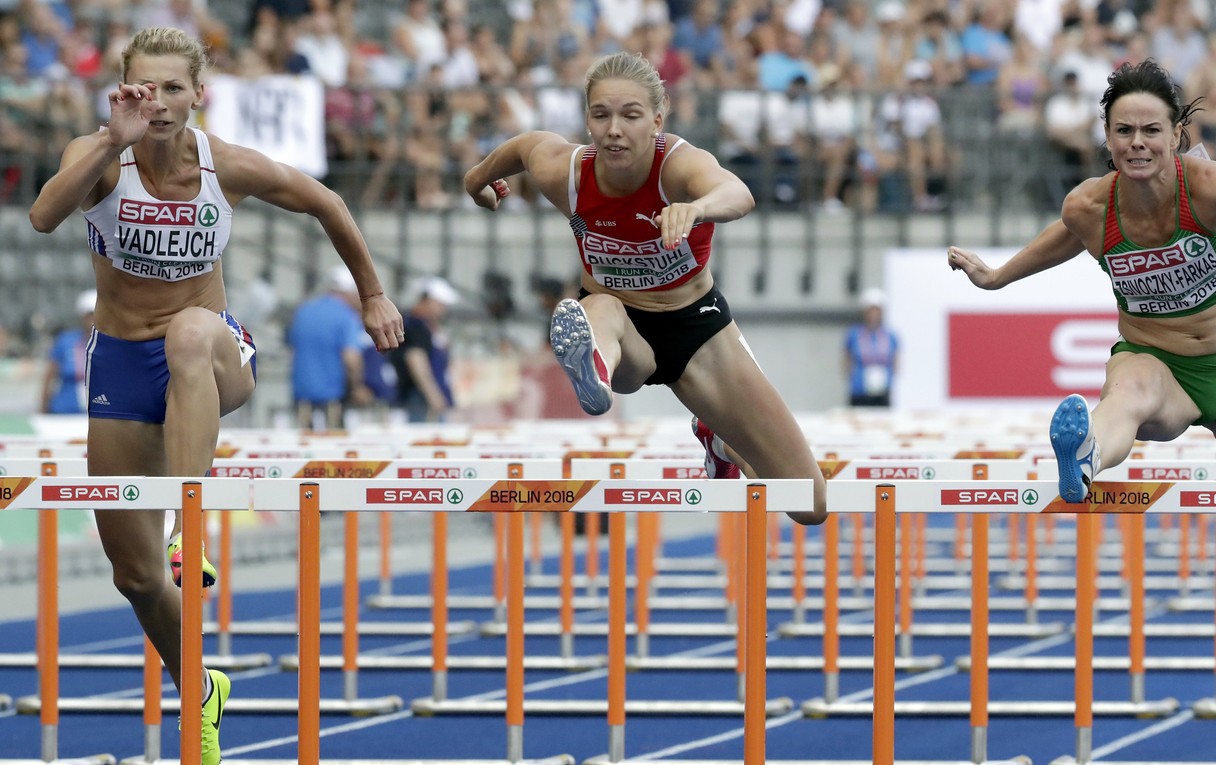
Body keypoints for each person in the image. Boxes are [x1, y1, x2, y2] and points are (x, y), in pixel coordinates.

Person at [26, 27, 402, 765]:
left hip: (214, 353)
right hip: (123, 366)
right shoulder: (100, 157)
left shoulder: (225, 165)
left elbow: (328, 202)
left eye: (173, 89)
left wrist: (375, 294)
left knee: (190, 333)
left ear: (199, 94)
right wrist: (111, 140)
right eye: (144, 89)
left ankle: (187, 529)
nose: (158, 103)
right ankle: (198, 684)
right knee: (132, 576)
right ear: (124, 91)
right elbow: (43, 216)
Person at [946, 59, 1216, 549]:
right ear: (1107, 136)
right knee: (1126, 396)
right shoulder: (1088, 206)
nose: (1136, 142)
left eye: (1150, 130)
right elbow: (1064, 237)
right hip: (1155, 362)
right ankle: (1085, 454)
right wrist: (995, 277)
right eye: (1124, 130)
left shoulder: (1210, 184)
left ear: (1176, 134)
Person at [462, 50, 826, 526]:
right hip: (622, 328)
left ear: (657, 119)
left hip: (697, 332)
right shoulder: (565, 173)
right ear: (588, 122)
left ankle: (720, 437)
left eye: (630, 115)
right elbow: (519, 149)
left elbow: (739, 193)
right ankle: (594, 367)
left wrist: (696, 208)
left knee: (809, 504)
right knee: (597, 308)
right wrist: (476, 185)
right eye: (601, 115)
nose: (615, 129)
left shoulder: (677, 167)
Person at [286, 265, 370, 430]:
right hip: (333, 397)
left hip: (301, 393)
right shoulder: (347, 316)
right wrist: (357, 387)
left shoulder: (303, 311)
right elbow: (351, 356)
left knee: (306, 447)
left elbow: (293, 347)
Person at [388, 276, 457, 423]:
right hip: (420, 398)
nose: (443, 310)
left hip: (424, 397)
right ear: (428, 301)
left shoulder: (426, 326)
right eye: (440, 304)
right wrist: (433, 395)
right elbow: (415, 359)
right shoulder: (417, 326)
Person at [39, 288, 96, 414]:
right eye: (90, 314)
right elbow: (49, 376)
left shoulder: (111, 344)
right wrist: (43, 407)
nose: (94, 319)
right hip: (64, 410)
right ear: (82, 316)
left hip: (97, 414)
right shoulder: (65, 341)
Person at [843, 287, 899, 408]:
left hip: (882, 392)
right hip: (859, 392)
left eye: (877, 310)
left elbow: (896, 362)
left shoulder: (890, 335)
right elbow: (846, 361)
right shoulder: (854, 334)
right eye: (870, 310)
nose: (874, 314)